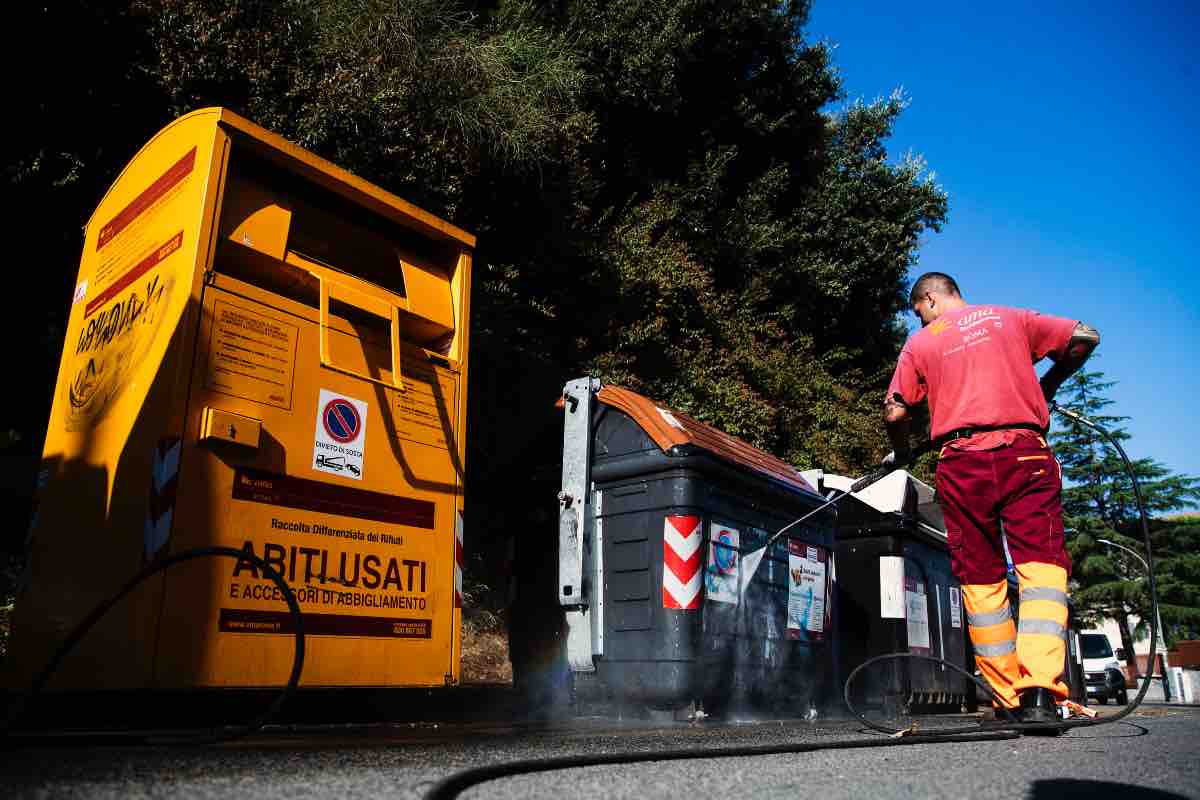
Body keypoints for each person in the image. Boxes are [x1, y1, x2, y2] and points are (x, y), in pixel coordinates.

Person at [882, 272, 1099, 728]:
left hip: (963, 465)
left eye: (919, 311)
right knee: (1041, 568)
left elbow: (897, 409)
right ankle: (1040, 691)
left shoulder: (922, 344)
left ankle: (1006, 701)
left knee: (980, 578)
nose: (920, 319)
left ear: (929, 299)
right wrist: (1048, 383)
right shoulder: (1011, 318)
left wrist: (902, 450)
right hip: (1026, 453)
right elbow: (1084, 336)